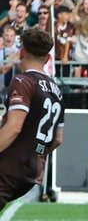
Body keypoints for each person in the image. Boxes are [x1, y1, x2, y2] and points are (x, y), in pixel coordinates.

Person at [0, 27, 64, 211]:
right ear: (48, 58)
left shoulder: (23, 81)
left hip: (11, 165)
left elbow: (14, 128)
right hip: (32, 170)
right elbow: (58, 139)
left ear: (21, 52)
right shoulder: (57, 90)